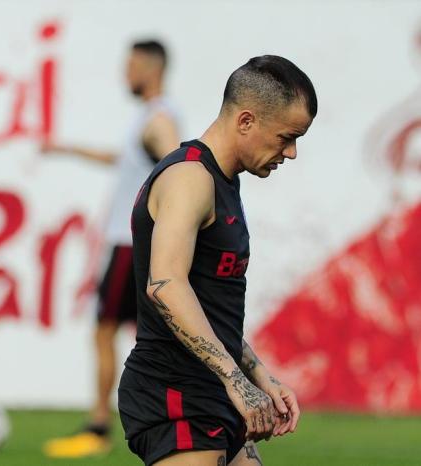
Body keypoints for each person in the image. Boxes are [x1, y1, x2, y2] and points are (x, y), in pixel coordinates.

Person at [118, 55, 317, 466]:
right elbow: (166, 286)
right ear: (246, 121)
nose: (292, 152)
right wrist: (236, 382)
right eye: (286, 137)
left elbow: (208, 308)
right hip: (176, 391)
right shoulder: (190, 179)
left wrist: (260, 377)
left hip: (210, 389)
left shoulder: (222, 182)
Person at [42, 40, 180, 458]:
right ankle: (155, 420)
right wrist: (66, 149)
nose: (126, 74)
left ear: (151, 69)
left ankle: (99, 426)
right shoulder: (148, 117)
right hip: (132, 244)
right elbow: (124, 160)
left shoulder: (159, 118)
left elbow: (180, 167)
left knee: (107, 333)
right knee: (145, 335)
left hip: (130, 244)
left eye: (132, 66)